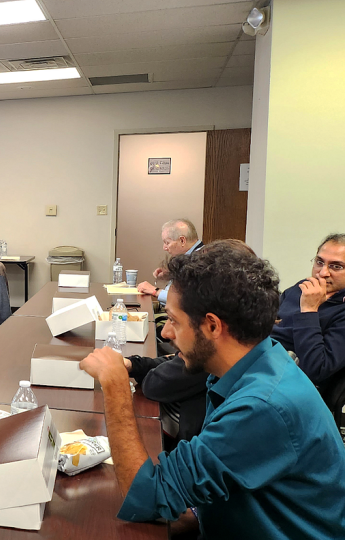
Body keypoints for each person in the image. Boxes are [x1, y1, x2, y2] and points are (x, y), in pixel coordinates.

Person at [79, 240, 345, 539]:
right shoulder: (252, 362)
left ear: (213, 327)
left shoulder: (262, 406)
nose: (166, 332)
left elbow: (149, 496)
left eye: (175, 322)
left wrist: (115, 387)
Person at [271, 233, 345, 386]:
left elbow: (316, 369)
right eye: (319, 262)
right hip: (261, 365)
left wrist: (309, 310)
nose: (323, 273)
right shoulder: (300, 289)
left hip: (291, 385)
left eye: (336, 266)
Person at [136, 218, 204, 305]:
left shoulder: (200, 262)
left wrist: (155, 291)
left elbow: (186, 300)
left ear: (182, 241)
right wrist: (171, 274)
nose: (164, 247)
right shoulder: (194, 256)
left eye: (167, 243)